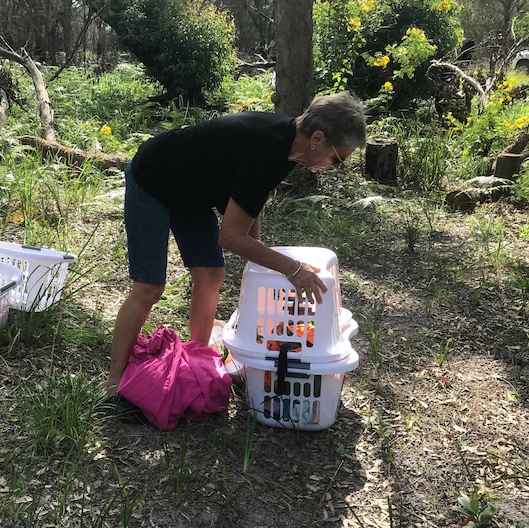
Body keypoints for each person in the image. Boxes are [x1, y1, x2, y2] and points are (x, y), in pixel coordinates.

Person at [106, 91, 367, 396]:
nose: (335, 167)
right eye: (338, 159)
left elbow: (247, 200)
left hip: (193, 193)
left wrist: (258, 250)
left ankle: (196, 358)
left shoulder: (288, 147)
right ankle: (114, 381)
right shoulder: (268, 146)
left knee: (211, 276)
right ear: (318, 138)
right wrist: (292, 269)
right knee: (149, 288)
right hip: (153, 180)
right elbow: (230, 237)